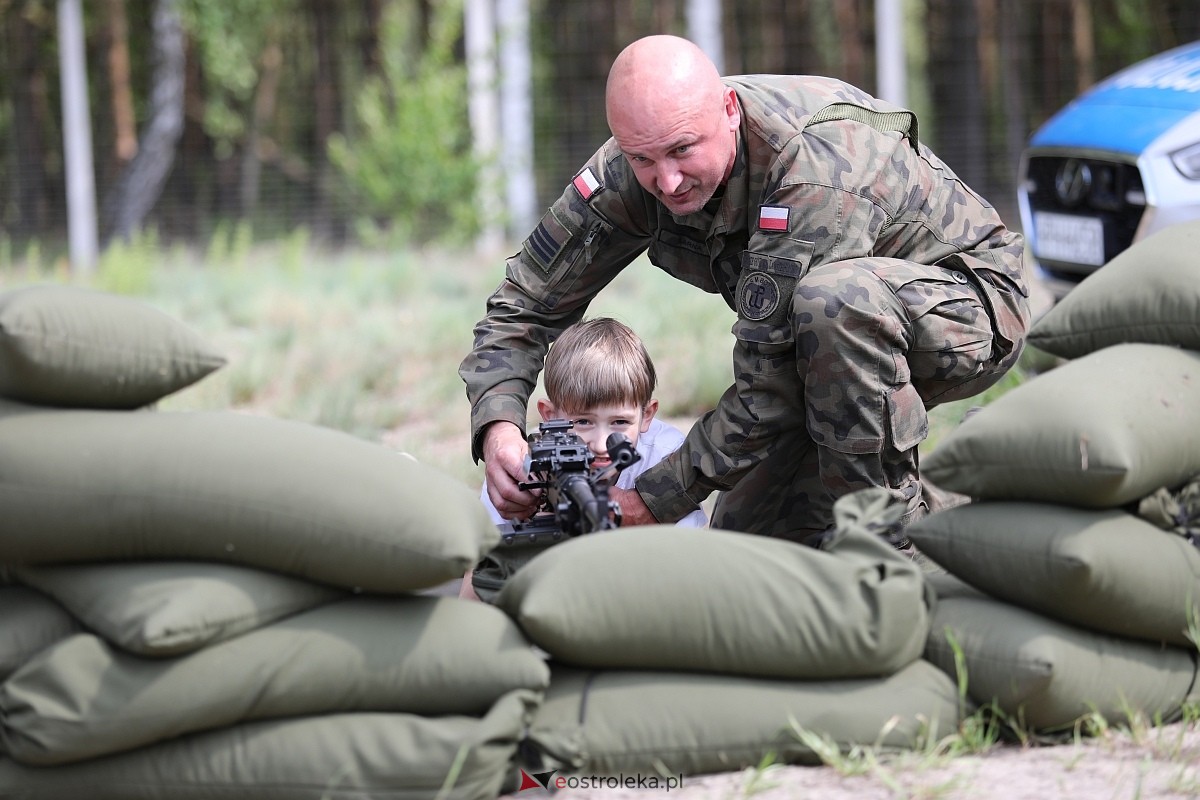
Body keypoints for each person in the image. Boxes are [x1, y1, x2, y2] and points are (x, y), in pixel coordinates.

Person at [459, 34, 1030, 545]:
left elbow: (773, 380)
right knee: (746, 541)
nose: (667, 181)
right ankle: (951, 514)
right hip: (822, 353)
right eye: (642, 159)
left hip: (965, 307)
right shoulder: (633, 161)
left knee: (834, 304)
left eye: (683, 150)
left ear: (728, 111)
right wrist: (499, 426)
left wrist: (656, 495)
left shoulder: (812, 167)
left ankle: (887, 537)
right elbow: (525, 303)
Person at [477, 316, 708, 530]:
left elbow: (687, 556)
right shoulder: (524, 462)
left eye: (619, 422)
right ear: (550, 416)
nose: (600, 444)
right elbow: (482, 562)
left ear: (646, 415)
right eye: (583, 421)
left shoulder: (667, 458)